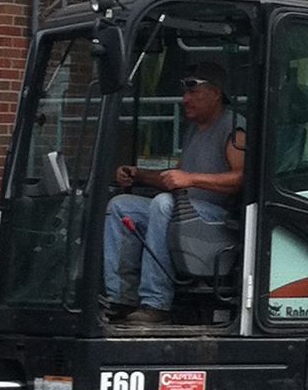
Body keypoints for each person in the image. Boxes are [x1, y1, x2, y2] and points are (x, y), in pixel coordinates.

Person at [102, 67, 245, 329]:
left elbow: (241, 178)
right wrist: (138, 175)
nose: (184, 99)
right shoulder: (195, 130)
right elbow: (176, 177)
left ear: (215, 93)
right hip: (185, 209)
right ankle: (121, 297)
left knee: (163, 203)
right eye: (184, 93)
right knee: (121, 207)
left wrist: (191, 179)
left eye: (193, 92)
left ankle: (156, 303)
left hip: (218, 217)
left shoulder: (234, 128)